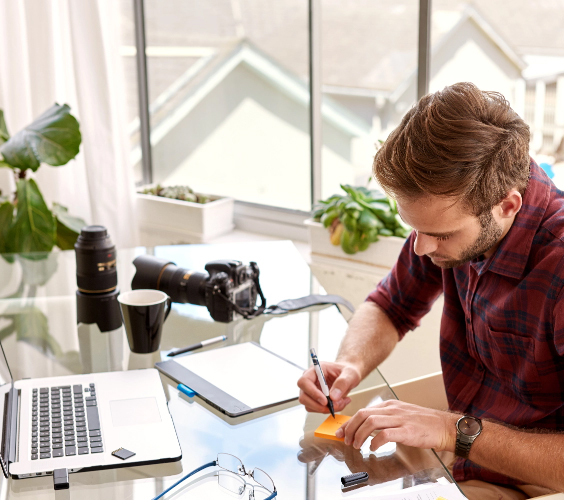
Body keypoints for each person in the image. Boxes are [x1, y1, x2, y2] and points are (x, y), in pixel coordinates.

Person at [298, 82, 564, 499]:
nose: (420, 248)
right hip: (463, 448)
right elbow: (390, 306)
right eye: (414, 229)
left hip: (535, 481)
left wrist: (449, 429)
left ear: (507, 205)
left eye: (439, 234)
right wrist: (349, 365)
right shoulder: (452, 216)